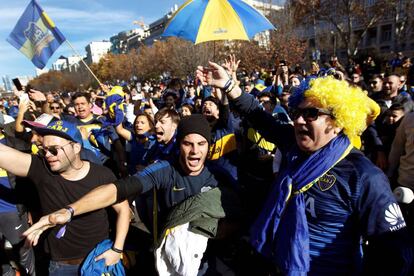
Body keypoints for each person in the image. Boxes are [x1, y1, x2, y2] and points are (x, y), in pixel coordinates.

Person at [195, 61, 412, 275]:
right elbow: (257, 116)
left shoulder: (363, 175)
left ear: (337, 122)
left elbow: (395, 254)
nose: (298, 121)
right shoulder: (293, 145)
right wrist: (228, 85)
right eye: (297, 112)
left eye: (311, 114)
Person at [22, 115, 222, 275]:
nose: (195, 151)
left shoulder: (218, 176)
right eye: (188, 144)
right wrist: (69, 211)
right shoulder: (164, 170)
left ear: (208, 146)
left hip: (207, 259)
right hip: (168, 260)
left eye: (201, 144)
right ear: (179, 144)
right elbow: (118, 189)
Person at [0, 119, 130, 275]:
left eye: (54, 150)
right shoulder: (40, 169)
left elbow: (124, 210)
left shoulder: (102, 174)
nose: (48, 155)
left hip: (98, 261)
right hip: (60, 266)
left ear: (76, 147)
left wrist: (117, 249)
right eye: (44, 150)